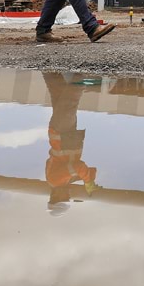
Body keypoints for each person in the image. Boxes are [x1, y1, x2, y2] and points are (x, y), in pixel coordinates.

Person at [43, 71, 98, 215]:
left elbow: (79, 167)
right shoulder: (63, 181)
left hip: (62, 133)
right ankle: (48, 65)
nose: (68, 195)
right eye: (68, 198)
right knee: (58, 92)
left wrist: (87, 182)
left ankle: (84, 68)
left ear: (54, 197)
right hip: (65, 134)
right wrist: (88, 180)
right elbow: (91, 170)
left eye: (65, 198)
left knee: (72, 97)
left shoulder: (55, 179)